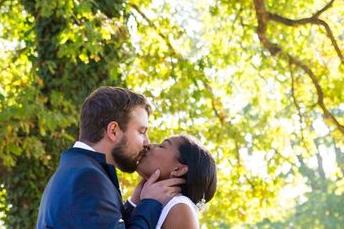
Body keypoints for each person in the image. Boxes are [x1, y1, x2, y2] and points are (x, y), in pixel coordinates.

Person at [36, 86, 184, 229]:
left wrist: (134, 204)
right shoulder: (88, 178)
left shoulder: (76, 170)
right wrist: (151, 203)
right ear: (113, 131)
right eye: (141, 131)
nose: (147, 142)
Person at [132, 135, 217, 229]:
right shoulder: (144, 198)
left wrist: (147, 203)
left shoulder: (180, 209)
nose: (148, 145)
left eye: (162, 146)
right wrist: (134, 204)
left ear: (178, 169)